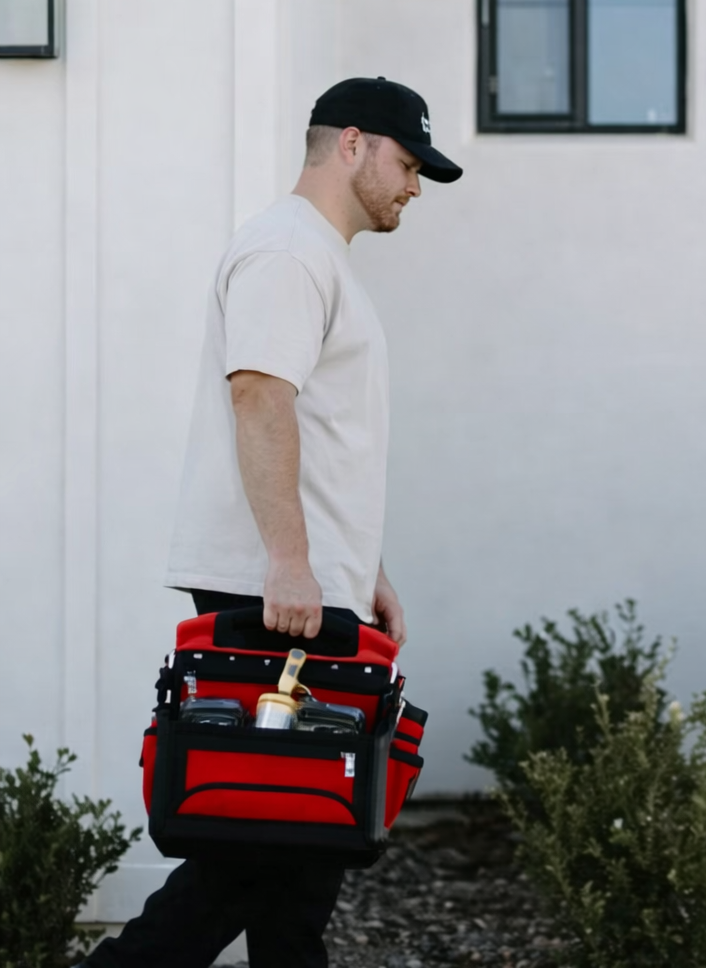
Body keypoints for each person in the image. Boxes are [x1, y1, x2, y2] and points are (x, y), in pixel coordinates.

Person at [82, 76, 462, 968]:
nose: (414, 187)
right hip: (280, 594)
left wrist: (361, 566)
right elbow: (259, 398)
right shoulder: (289, 253)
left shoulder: (316, 257)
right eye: (409, 164)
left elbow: (322, 435)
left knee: (297, 862)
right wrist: (290, 564)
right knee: (259, 855)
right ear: (353, 144)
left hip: (310, 584)